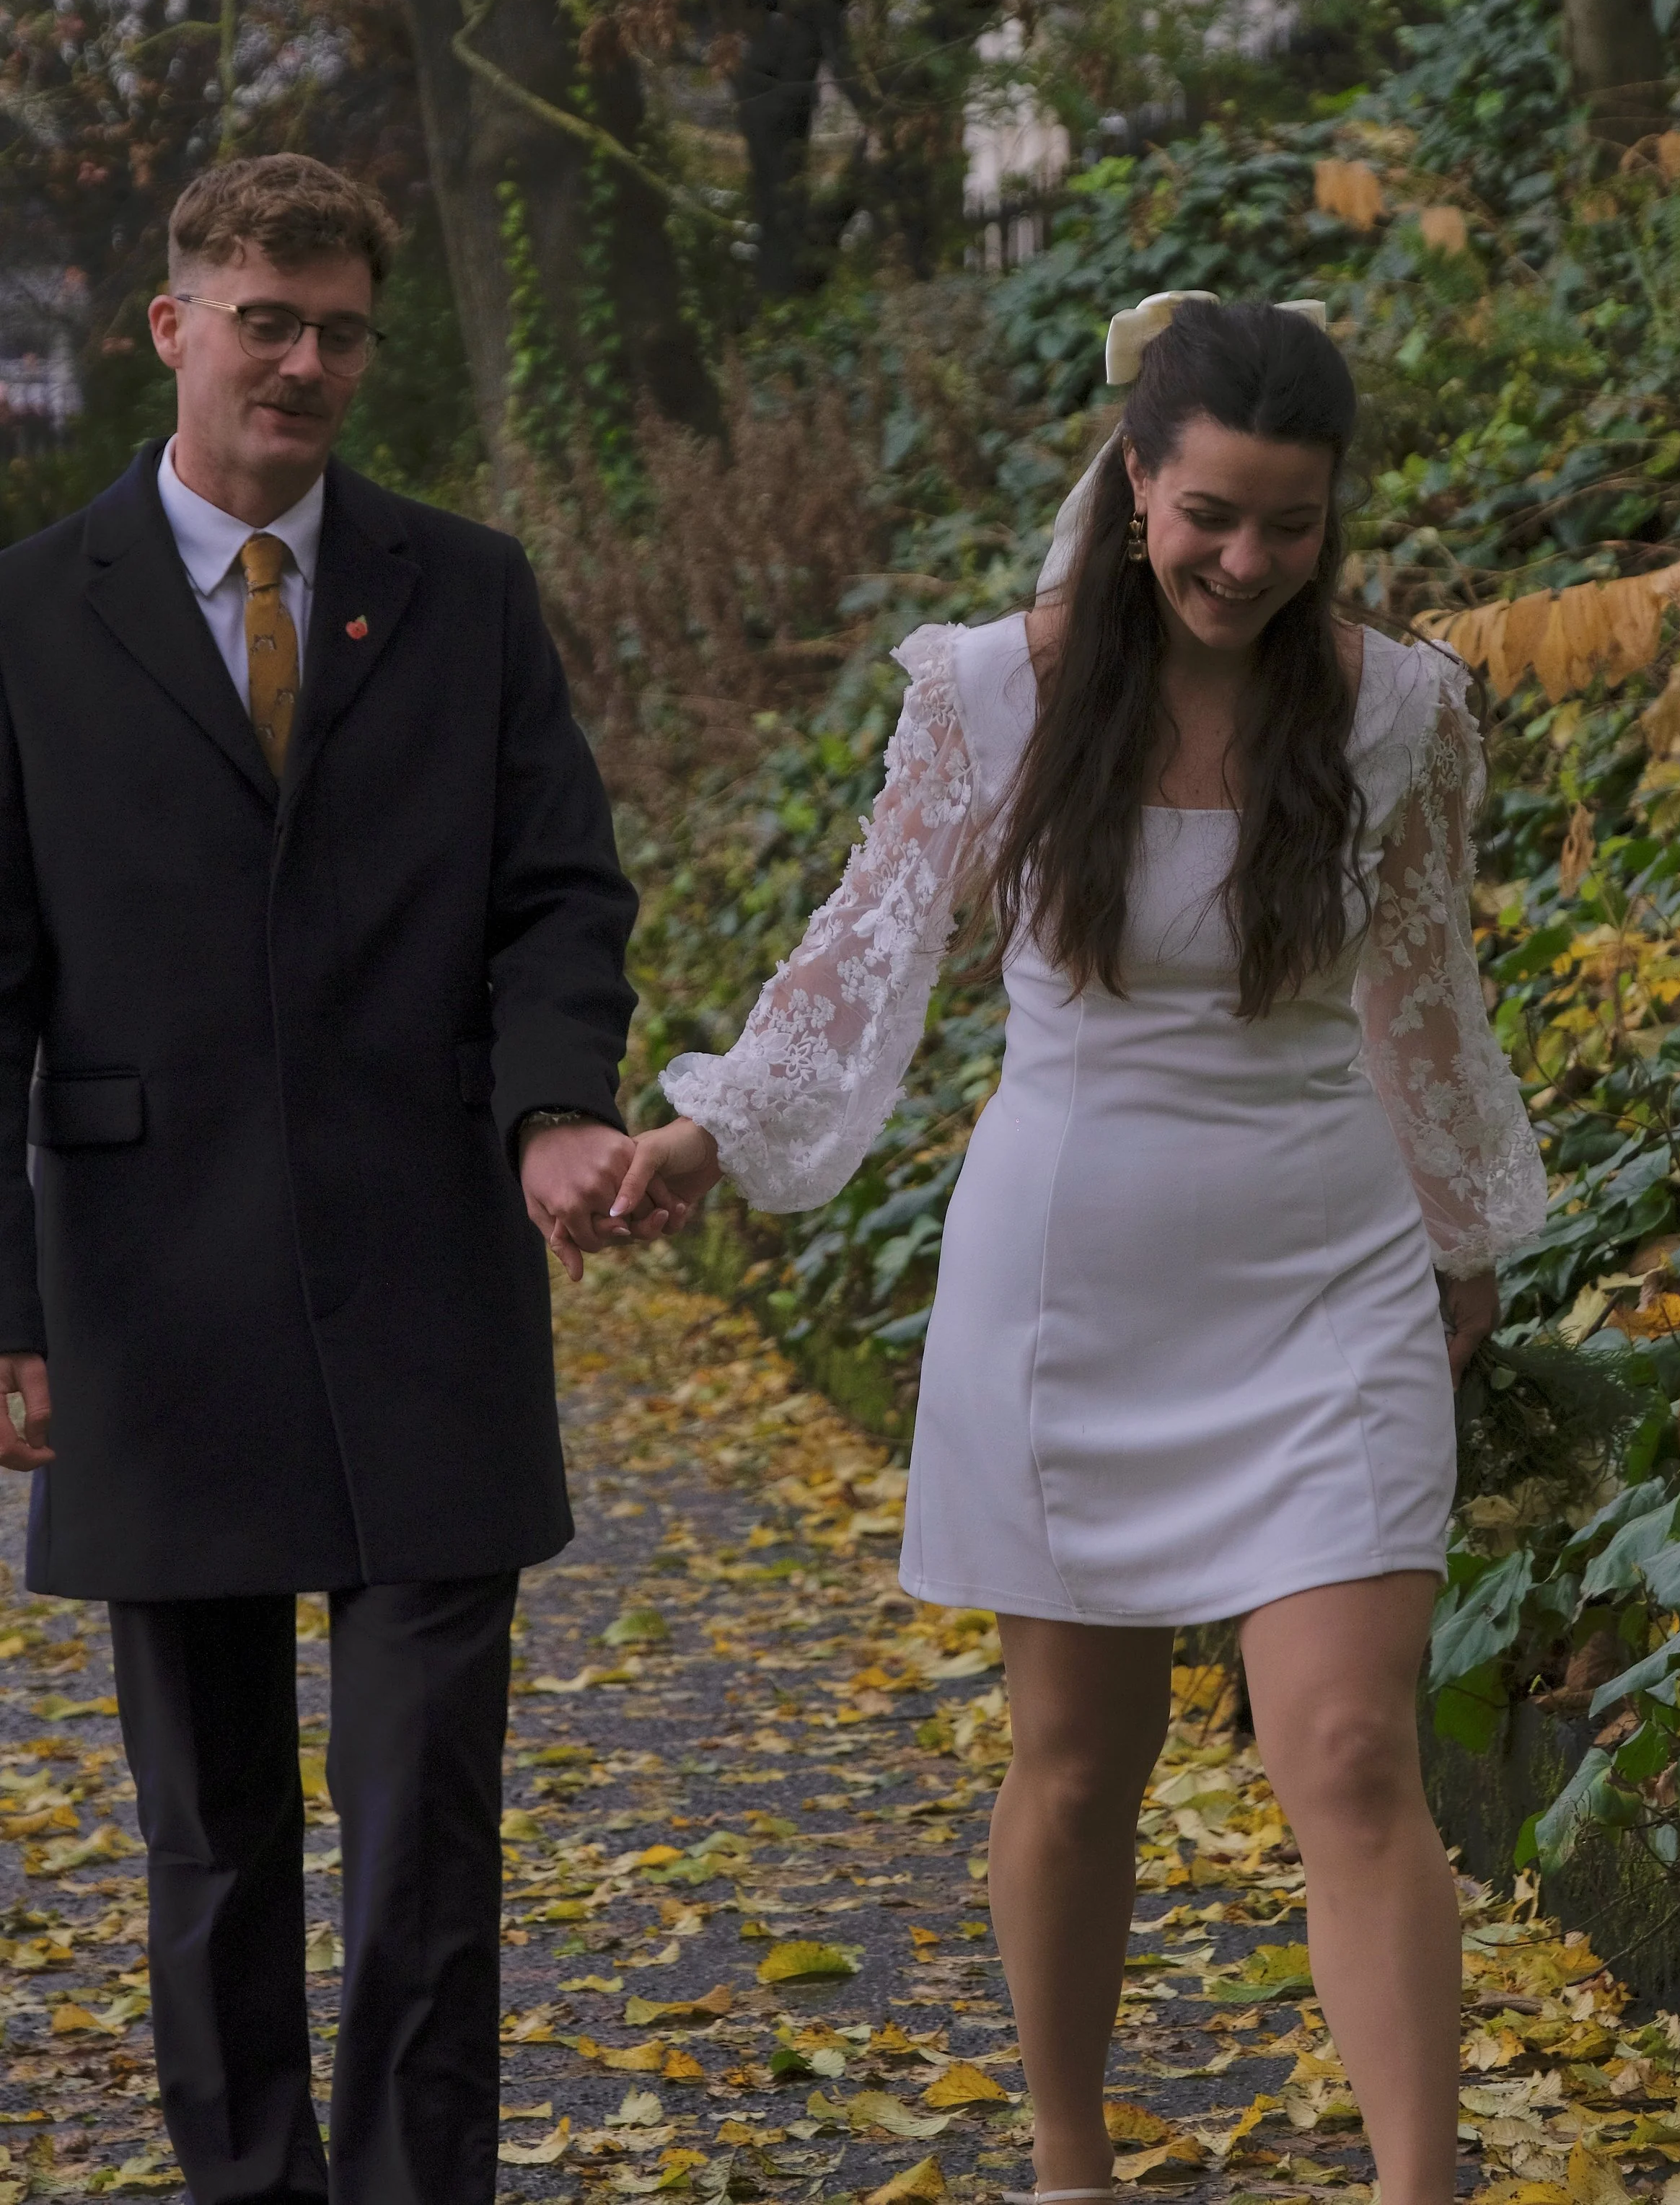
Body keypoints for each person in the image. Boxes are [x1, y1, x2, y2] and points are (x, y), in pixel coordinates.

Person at [614, 294, 1547, 2205]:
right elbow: (863, 958)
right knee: (1073, 1760)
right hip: (1068, 1282)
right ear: (1132, 482)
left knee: (1356, 1749)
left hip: (1326, 1266)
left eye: (1289, 524)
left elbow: (1429, 1001)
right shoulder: (987, 688)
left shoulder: (1401, 710)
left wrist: (1464, 1235)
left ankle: (1419, 2190)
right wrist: (714, 1130)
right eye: (1209, 511)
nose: (1245, 560)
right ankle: (1066, 2164)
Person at [0, 152, 670, 2205]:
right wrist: (1, 1313)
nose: (304, 360)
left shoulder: (462, 589)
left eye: (340, 328)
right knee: (206, 1836)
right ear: (173, 326)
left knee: (422, 1819)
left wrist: (557, 1103)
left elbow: (559, 889)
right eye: (265, 316)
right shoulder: (27, 614)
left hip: (425, 1285)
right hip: (149, 1293)